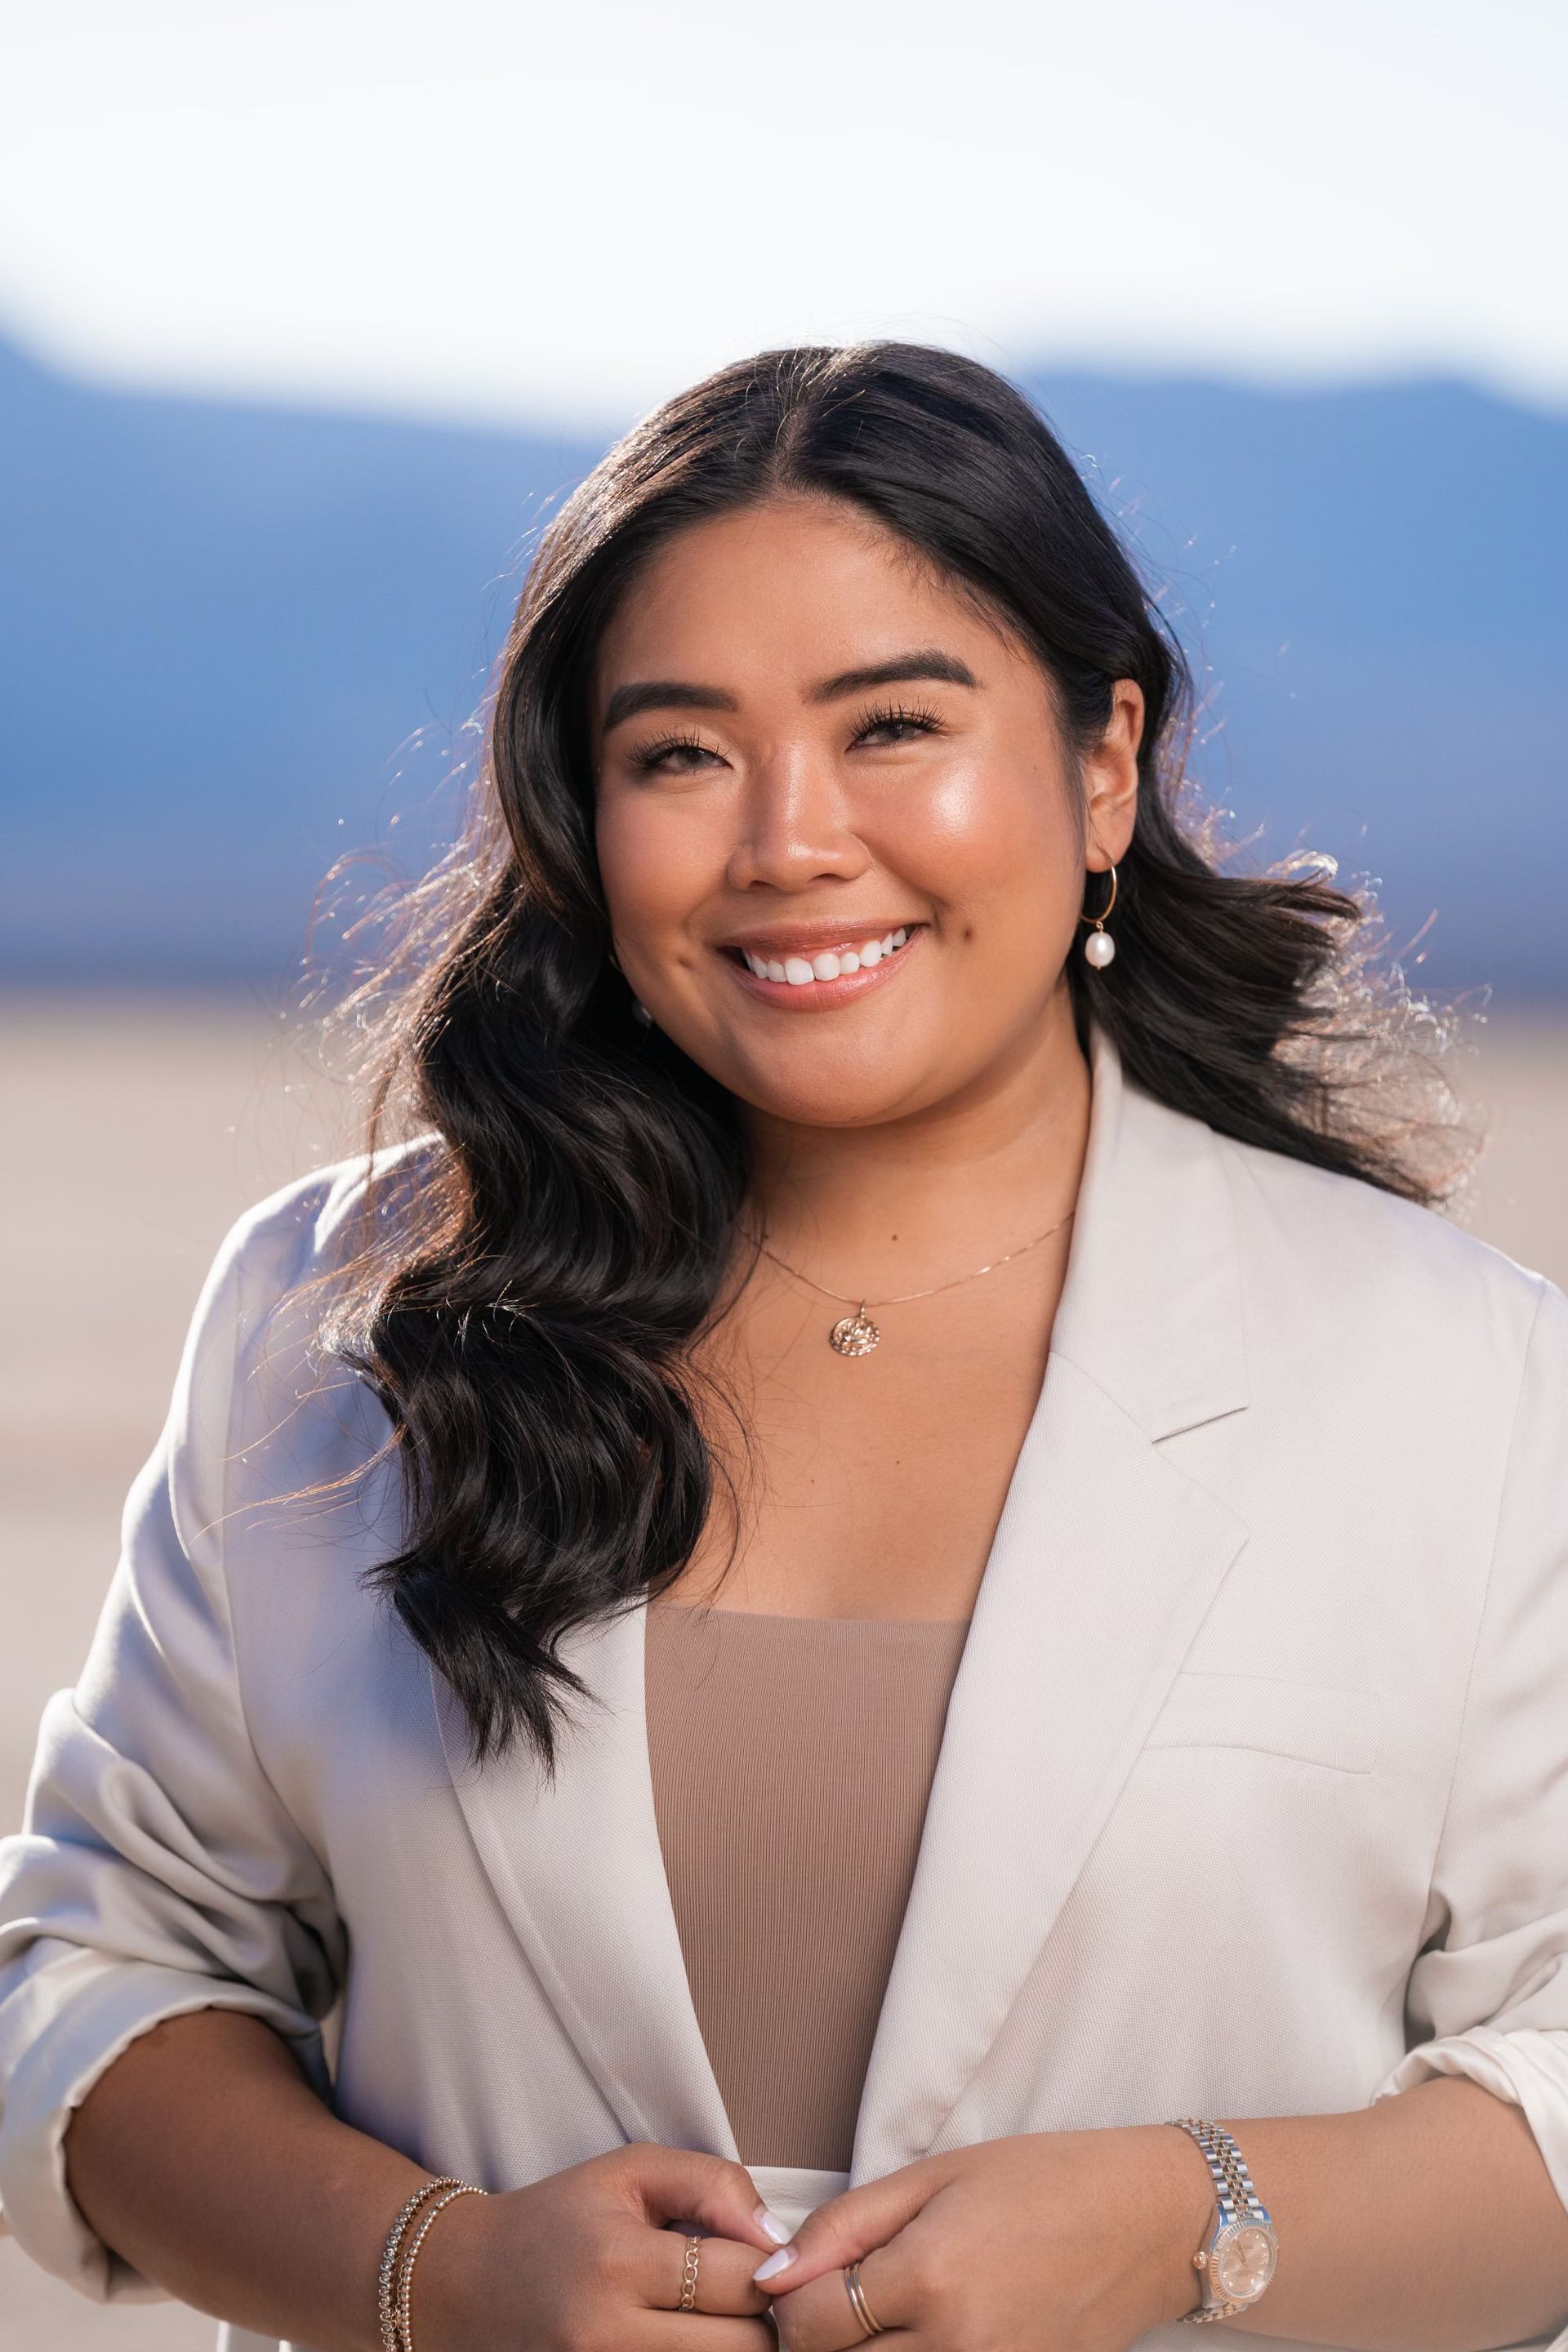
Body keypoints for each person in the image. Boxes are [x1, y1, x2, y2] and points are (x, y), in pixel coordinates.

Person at [2, 342, 1566, 2352]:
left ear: (1106, 764)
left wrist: (1186, 2221)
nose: (789, 843)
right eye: (680, 753)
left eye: (892, 725)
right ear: (585, 812)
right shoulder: (331, 1330)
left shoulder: (1463, 1381)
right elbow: (96, 1970)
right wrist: (438, 2274)